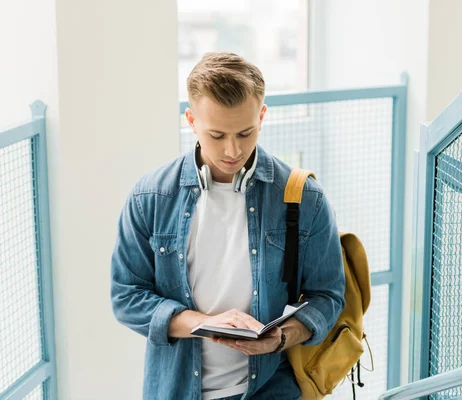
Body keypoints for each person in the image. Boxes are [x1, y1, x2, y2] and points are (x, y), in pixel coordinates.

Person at [111, 52, 345, 400]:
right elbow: (126, 297)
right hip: (174, 390)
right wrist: (201, 323)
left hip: (271, 389)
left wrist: (281, 338)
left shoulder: (304, 197)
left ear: (262, 116)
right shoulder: (150, 197)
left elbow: (327, 296)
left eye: (245, 132)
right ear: (190, 120)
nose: (232, 150)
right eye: (217, 135)